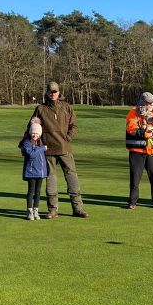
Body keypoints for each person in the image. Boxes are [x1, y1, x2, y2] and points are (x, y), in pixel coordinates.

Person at [31, 81, 88, 219]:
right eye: (50, 92)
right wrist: (33, 143)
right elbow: (32, 127)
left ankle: (78, 208)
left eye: (55, 91)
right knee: (51, 180)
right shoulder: (40, 109)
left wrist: (68, 138)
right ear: (47, 93)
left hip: (65, 148)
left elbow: (74, 126)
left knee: (72, 177)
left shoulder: (67, 107)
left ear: (59, 92)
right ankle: (52, 210)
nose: (53, 94)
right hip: (48, 150)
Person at [125, 91, 153, 209]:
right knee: (135, 179)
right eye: (148, 103)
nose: (151, 105)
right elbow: (131, 129)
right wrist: (144, 133)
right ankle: (132, 202)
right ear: (142, 102)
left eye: (152, 103)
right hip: (137, 151)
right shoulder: (133, 113)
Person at [19, 120, 48, 221]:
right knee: (31, 191)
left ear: (40, 134)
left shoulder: (41, 142)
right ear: (30, 133)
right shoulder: (27, 142)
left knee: (38, 192)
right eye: (33, 133)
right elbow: (31, 154)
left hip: (40, 172)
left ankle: (36, 210)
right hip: (31, 171)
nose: (35, 135)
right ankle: (29, 211)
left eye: (37, 133)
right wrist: (43, 148)